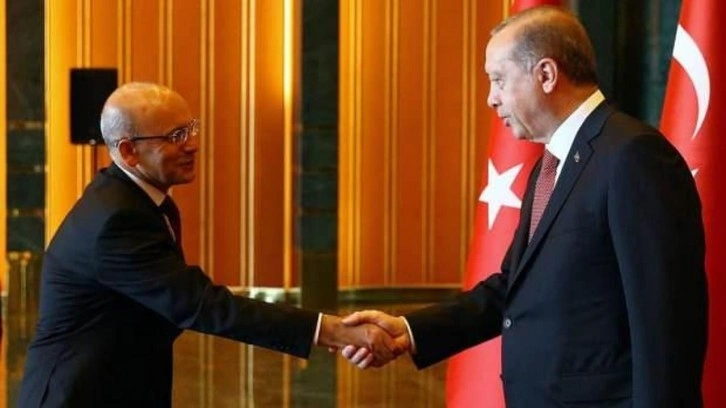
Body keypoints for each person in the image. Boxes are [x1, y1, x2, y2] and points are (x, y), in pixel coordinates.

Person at [339, 6, 708, 408]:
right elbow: (512, 288)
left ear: (546, 75)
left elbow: (665, 321)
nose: (491, 98)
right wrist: (408, 330)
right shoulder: (551, 165)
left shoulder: (633, 156)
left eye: (499, 80)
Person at [19, 82, 402, 407]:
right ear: (128, 151)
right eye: (175, 137)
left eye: (190, 129)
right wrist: (332, 331)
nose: (193, 145)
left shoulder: (138, 200)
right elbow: (200, 304)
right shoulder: (116, 221)